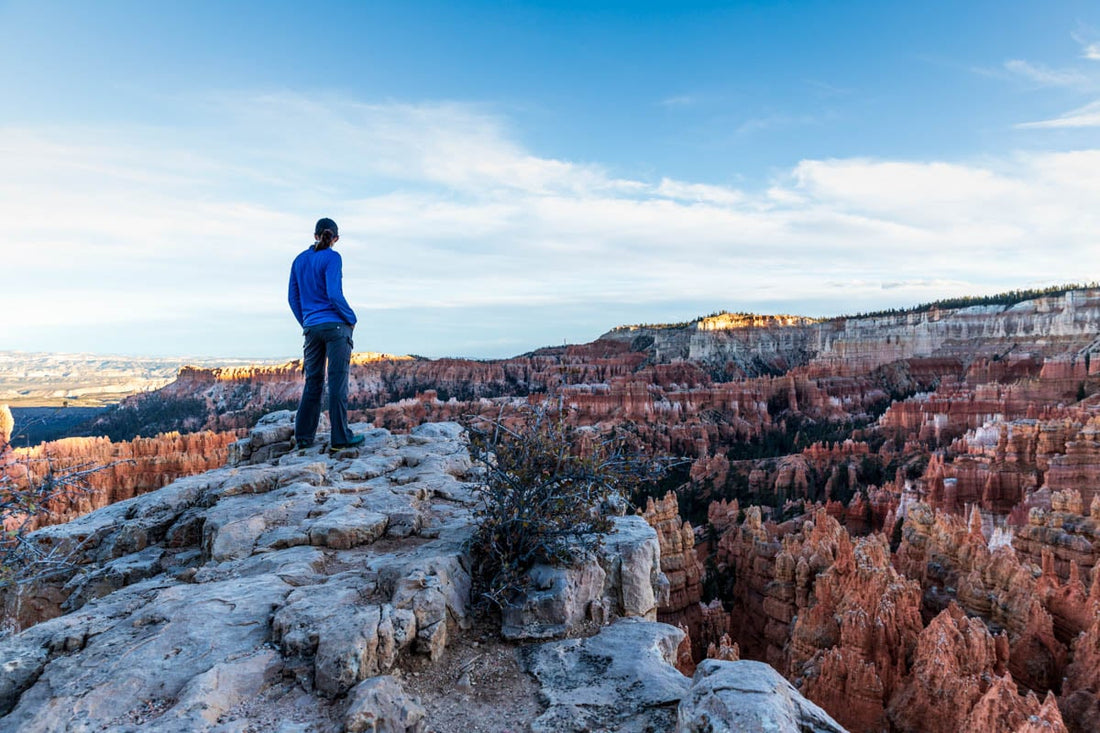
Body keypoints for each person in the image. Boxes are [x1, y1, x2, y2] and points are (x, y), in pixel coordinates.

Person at [288, 217, 364, 449]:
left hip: (311, 328)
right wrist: (351, 318)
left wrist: (307, 323)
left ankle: (303, 438)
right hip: (336, 327)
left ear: (315, 235)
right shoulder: (333, 257)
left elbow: (293, 298)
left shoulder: (299, 260)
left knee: (313, 382)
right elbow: (333, 293)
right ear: (336, 239)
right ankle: (340, 438)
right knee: (337, 382)